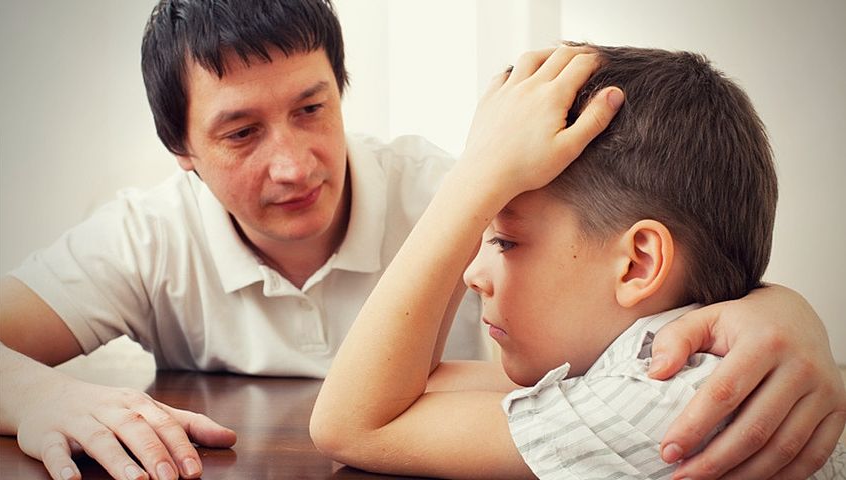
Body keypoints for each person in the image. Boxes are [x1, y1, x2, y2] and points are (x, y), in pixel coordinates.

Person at [0, 1, 841, 478]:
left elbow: (683, 264)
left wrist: (778, 309)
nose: (293, 164)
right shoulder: (146, 236)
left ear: (342, 91)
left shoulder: (479, 192)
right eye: (241, 133)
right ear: (182, 154)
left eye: (312, 108)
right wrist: (36, 397)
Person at [310, 43, 846, 479]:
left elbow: (352, 425)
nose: (473, 276)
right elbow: (409, 390)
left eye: (505, 241)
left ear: (637, 263)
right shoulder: (644, 361)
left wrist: (471, 185)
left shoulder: (655, 400)